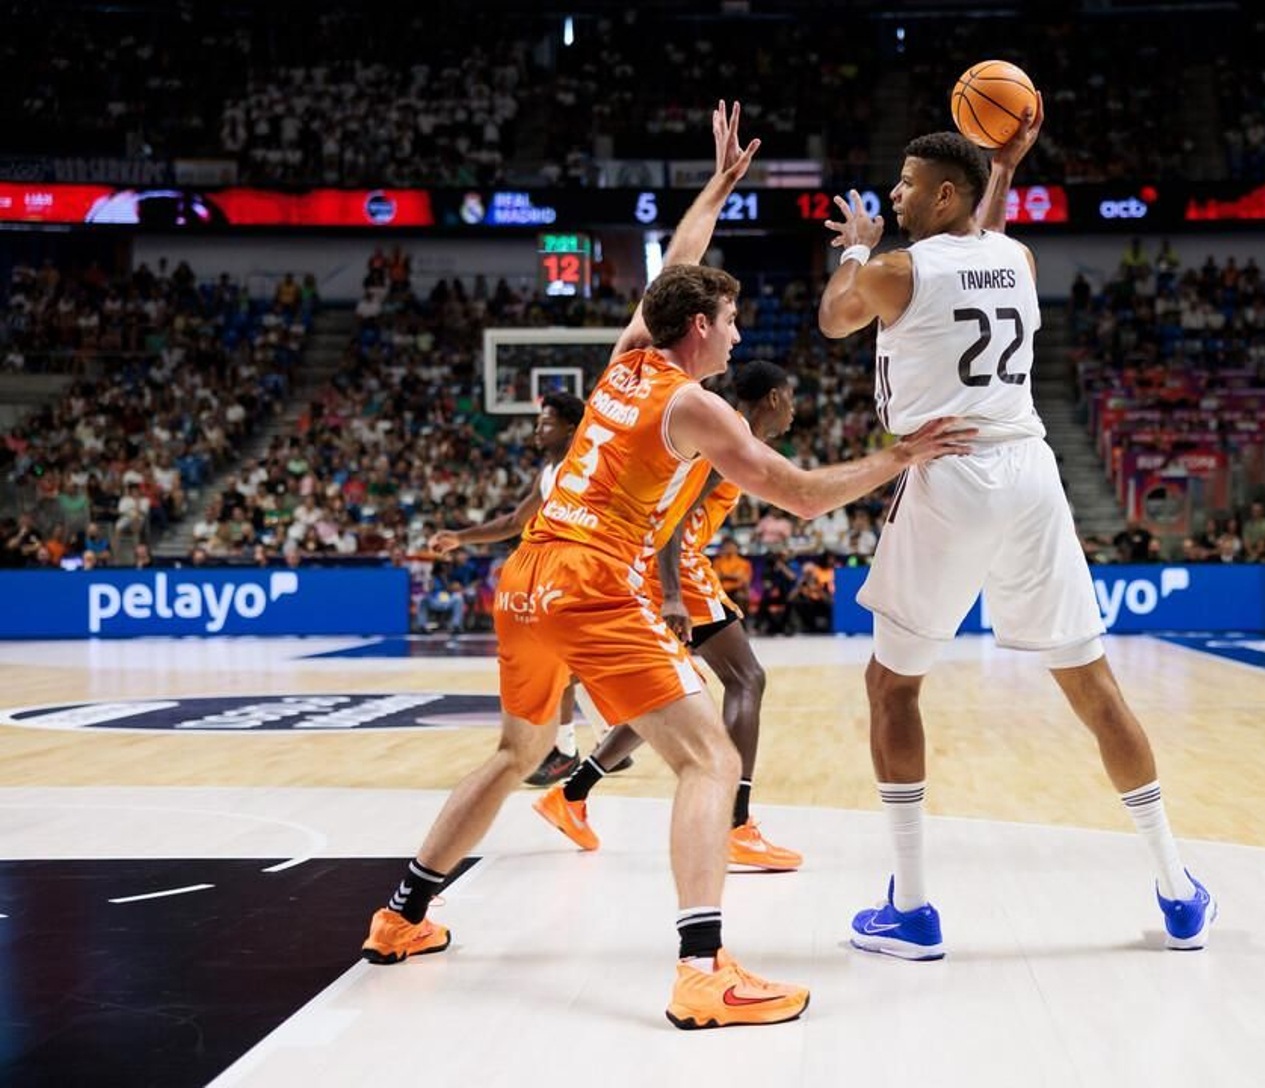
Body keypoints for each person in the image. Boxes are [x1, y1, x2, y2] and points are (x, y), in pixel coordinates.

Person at [359, 101, 974, 1031]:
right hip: (590, 585)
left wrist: (718, 188)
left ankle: (400, 917)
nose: (736, 335)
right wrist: (899, 455)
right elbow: (802, 496)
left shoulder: (626, 362)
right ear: (699, 334)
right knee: (709, 756)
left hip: (523, 581)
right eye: (728, 323)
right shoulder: (695, 405)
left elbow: (670, 281)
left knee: (515, 753)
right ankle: (702, 971)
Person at [817, 103, 1214, 961]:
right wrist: (1007, 168)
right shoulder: (1020, 259)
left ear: (944, 193)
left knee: (893, 687)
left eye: (907, 186)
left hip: (949, 469)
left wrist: (855, 243)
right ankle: (1178, 890)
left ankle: (913, 909)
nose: (893, 194)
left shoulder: (893, 270)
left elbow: (835, 317)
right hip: (1032, 474)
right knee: (1095, 687)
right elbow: (979, 246)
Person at [535, 360, 804, 871]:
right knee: (747, 679)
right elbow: (673, 515)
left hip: (659, 564)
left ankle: (569, 795)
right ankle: (735, 824)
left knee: (670, 689)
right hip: (671, 563)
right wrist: (676, 595)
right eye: (789, 397)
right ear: (772, 398)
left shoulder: (735, 434)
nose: (793, 409)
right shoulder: (728, 436)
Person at [428, 391, 612, 786]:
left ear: (570, 428)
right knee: (575, 665)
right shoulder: (550, 471)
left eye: (545, 423)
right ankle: (607, 740)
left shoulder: (583, 467)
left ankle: (564, 752)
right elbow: (514, 519)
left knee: (563, 662)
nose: (536, 431)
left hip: (590, 571)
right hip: (563, 573)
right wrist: (461, 538)